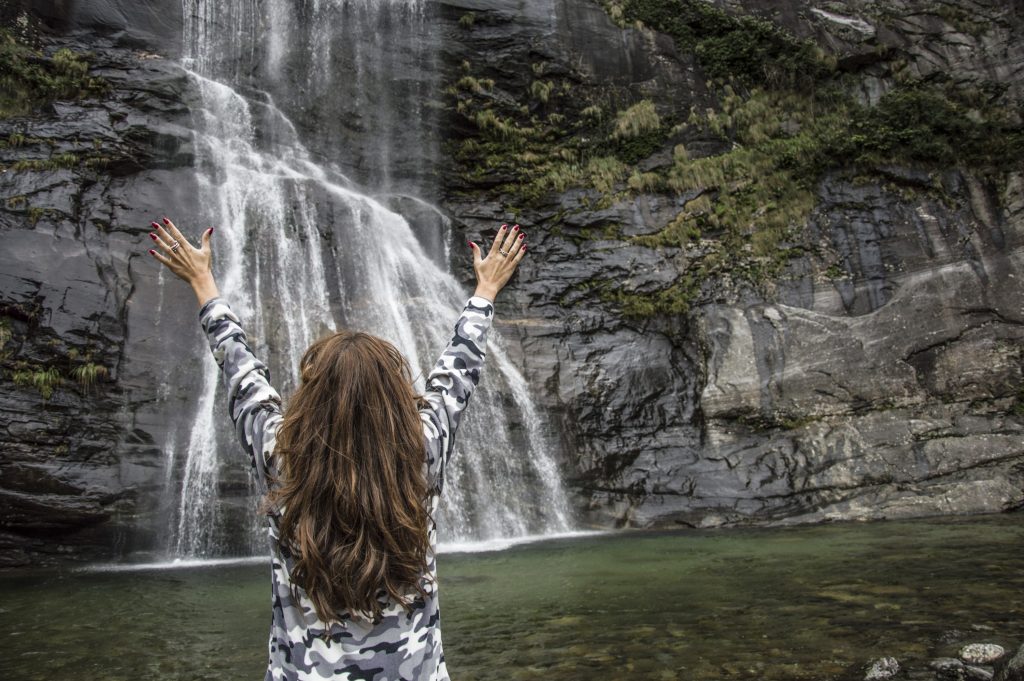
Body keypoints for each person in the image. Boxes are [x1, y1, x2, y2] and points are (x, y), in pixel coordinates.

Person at [147, 217, 528, 681]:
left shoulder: (280, 459)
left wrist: (202, 280)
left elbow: (240, 373)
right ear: (395, 400)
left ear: (309, 398)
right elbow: (457, 371)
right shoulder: (421, 455)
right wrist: (485, 289)